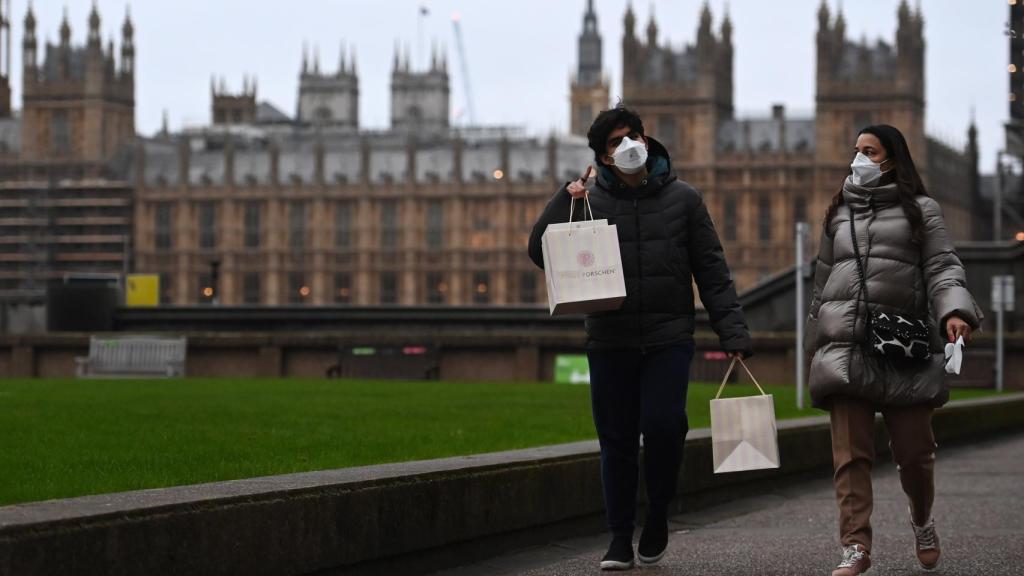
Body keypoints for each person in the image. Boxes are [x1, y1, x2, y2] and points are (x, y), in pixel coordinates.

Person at [528, 105, 752, 571]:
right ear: (603, 157)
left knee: (667, 428)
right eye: (615, 142)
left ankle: (658, 514)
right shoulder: (588, 201)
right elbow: (540, 251)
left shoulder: (684, 199)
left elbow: (712, 269)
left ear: (646, 141)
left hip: (668, 335)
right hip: (610, 337)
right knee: (617, 440)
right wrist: (563, 197)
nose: (627, 146)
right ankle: (617, 537)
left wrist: (732, 330)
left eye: (633, 136)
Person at [804, 124, 983, 576]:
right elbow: (822, 284)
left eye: (869, 151)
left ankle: (921, 518)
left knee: (915, 455)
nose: (858, 158)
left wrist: (953, 313)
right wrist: (814, 345)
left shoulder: (922, 210)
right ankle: (855, 546)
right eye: (856, 150)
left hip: (903, 345)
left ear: (891, 158)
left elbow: (943, 267)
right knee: (849, 457)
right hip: (845, 344)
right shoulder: (837, 213)